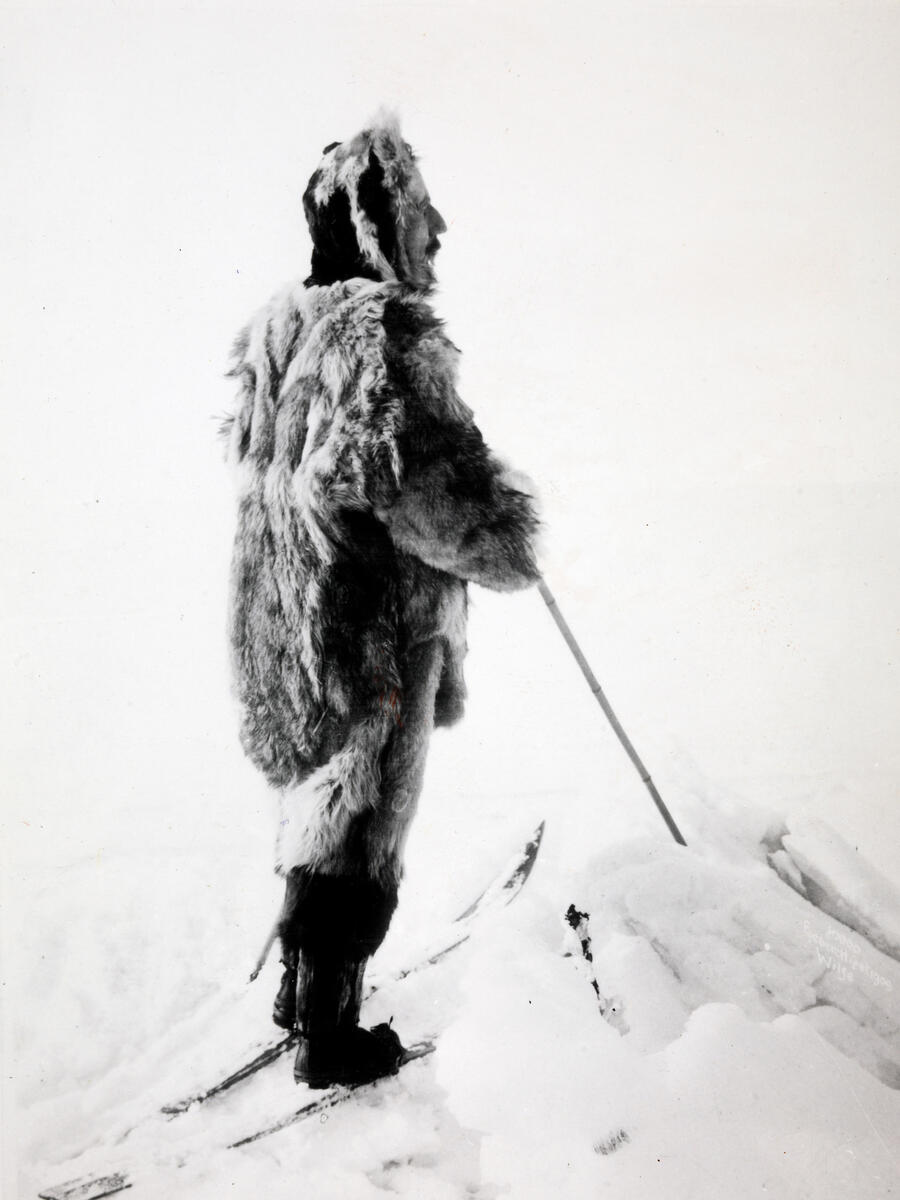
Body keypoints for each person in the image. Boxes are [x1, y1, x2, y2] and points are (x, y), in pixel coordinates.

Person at [223, 114, 541, 1088]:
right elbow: (412, 481)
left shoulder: (282, 329)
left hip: (292, 620)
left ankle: (301, 985)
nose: (435, 232)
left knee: (319, 801)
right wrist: (501, 535)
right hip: (373, 624)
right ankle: (332, 1030)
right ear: (380, 219)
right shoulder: (384, 333)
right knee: (365, 821)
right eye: (418, 214)